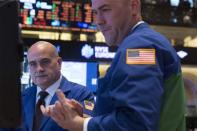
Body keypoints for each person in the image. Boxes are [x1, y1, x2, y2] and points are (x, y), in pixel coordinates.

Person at [41, 0, 186, 131]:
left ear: (133, 6)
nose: (98, 21)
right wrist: (85, 118)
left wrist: (80, 124)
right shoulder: (143, 42)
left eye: (105, 10)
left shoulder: (139, 47)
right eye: (95, 12)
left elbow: (137, 124)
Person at [0, 41, 95, 131]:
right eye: (33, 64)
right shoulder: (21, 97)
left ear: (59, 63)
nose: (39, 69)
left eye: (45, 62)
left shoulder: (81, 94)